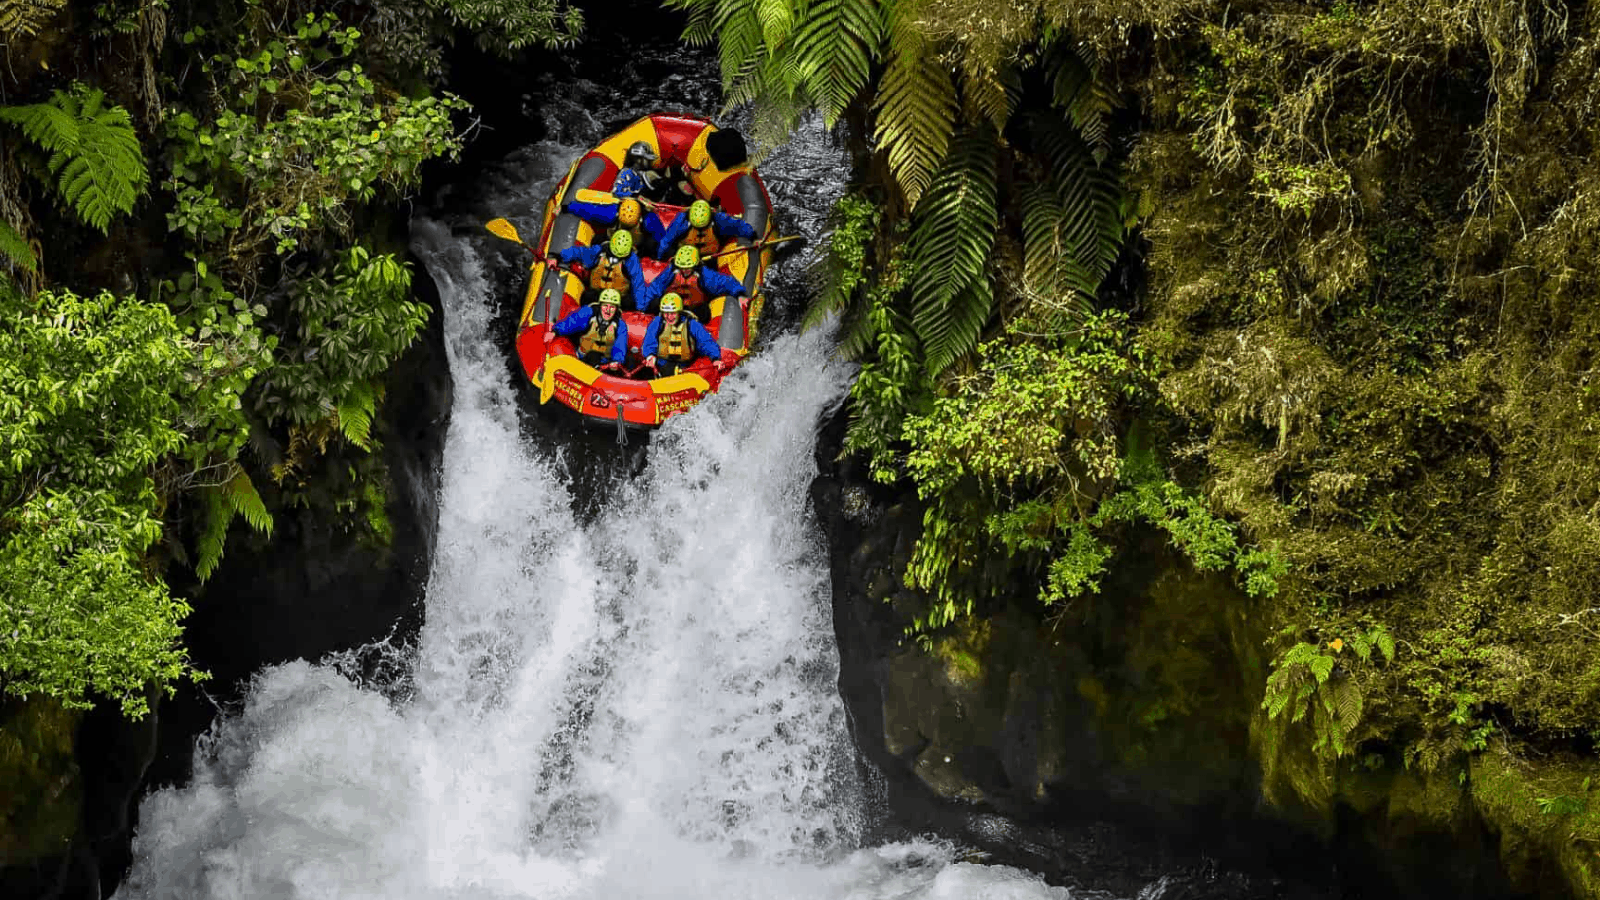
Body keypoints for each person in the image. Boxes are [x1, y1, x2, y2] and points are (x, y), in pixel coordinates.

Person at [548, 230, 651, 310]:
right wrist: (558, 256)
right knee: (587, 296)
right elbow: (580, 252)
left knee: (628, 303)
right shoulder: (600, 251)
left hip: (618, 299)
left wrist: (640, 307)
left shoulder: (631, 261)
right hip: (597, 293)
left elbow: (638, 283)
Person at [641, 245, 750, 320]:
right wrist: (643, 308)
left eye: (688, 268)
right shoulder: (671, 272)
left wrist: (740, 294)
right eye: (682, 267)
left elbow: (726, 282)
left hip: (694, 310)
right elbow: (655, 287)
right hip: (670, 308)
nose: (684, 270)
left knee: (704, 312)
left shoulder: (704, 275)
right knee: (654, 303)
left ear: (695, 265)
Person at [641, 292, 726, 378]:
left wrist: (715, 359)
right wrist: (650, 355)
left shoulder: (691, 324)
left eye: (673, 313)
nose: (669, 317)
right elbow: (649, 340)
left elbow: (706, 342)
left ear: (679, 312)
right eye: (666, 313)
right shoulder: (658, 322)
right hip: (662, 364)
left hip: (685, 366)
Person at [546, 288, 629, 371]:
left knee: (629, 361)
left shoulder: (620, 325)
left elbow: (620, 344)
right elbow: (570, 323)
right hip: (584, 358)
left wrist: (617, 361)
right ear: (600, 306)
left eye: (612, 307)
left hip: (605, 363)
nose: (608, 310)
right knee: (593, 355)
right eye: (605, 306)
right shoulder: (588, 313)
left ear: (616, 309)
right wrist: (555, 332)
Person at [564, 196, 665, 257]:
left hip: (635, 248)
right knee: (596, 240)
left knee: (651, 245)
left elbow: (661, 238)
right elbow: (589, 210)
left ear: (639, 219)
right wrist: (567, 207)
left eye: (628, 226)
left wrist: (658, 257)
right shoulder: (611, 213)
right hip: (611, 243)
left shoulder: (649, 221)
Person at [656, 199, 756, 260]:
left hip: (711, 258)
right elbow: (667, 240)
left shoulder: (720, 220)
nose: (700, 230)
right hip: (685, 258)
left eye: (703, 227)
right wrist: (660, 258)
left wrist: (753, 236)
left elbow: (739, 226)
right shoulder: (681, 221)